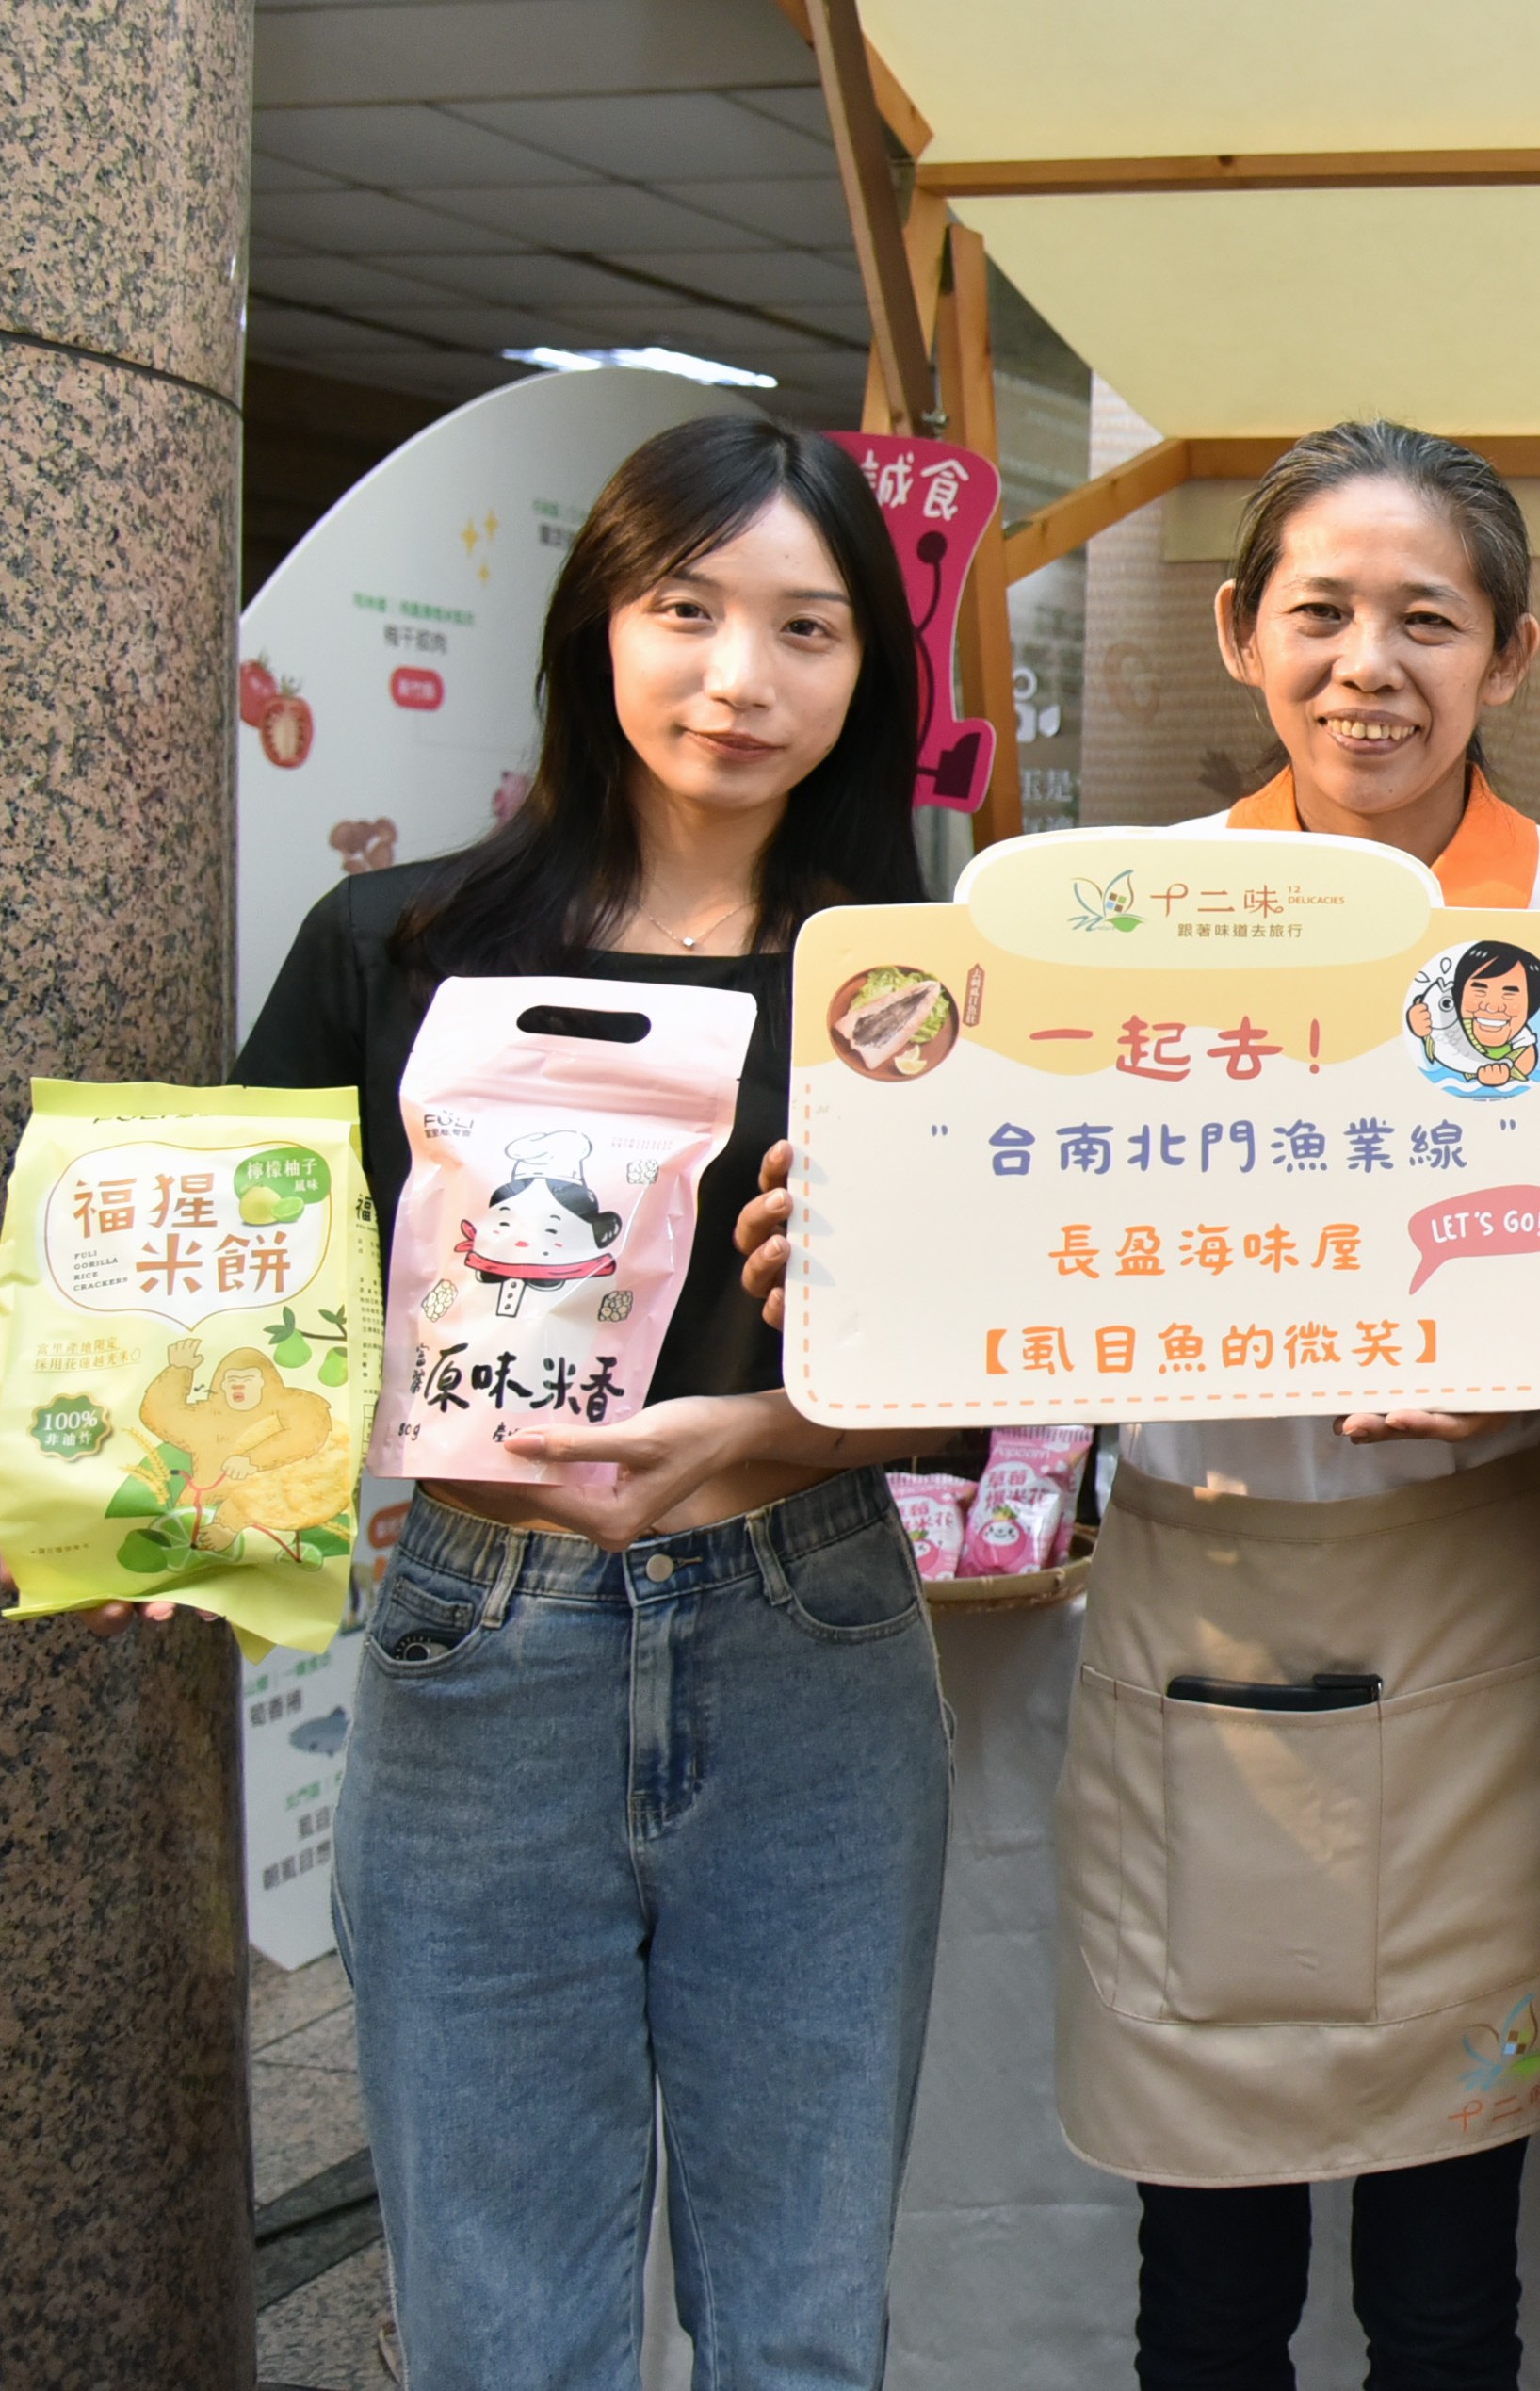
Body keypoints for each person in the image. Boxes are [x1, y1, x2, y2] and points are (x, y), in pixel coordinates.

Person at [743, 420, 1540, 2390]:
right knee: (1206, 2278)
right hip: (1192, 1624)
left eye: (1429, 620)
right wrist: (869, 1230)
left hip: (1472, 1620)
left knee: (1446, 2284)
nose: (1368, 666)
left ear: (1512, 654)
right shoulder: (1101, 923)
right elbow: (990, 1212)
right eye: (1320, 613)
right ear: (1241, 631)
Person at [235, 414, 952, 2389]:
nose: (740, 677)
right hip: (481, 1644)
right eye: (686, 610)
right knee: (499, 2331)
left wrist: (786, 1412)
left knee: (799, 2325)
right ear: (596, 628)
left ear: (866, 673)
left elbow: (994, 1388)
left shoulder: (914, 1002)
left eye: (806, 628)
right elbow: (242, 1295)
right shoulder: (399, 947)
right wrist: (158, 1498)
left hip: (807, 1634)